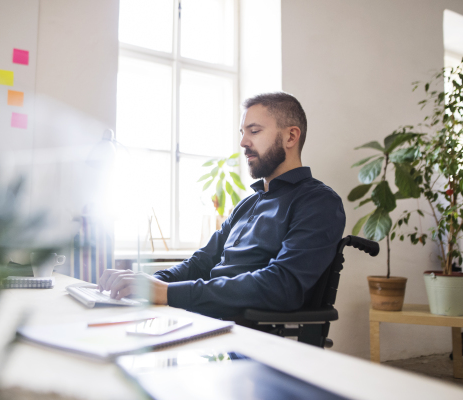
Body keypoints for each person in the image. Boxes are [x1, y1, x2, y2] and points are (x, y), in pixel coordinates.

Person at [99, 92, 346, 319]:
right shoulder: (247, 204)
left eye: (255, 131)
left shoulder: (318, 202)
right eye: (242, 132)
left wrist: (168, 293)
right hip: (203, 321)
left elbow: (282, 286)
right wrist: (148, 282)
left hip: (249, 336)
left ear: (291, 136)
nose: (243, 142)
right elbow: (200, 263)